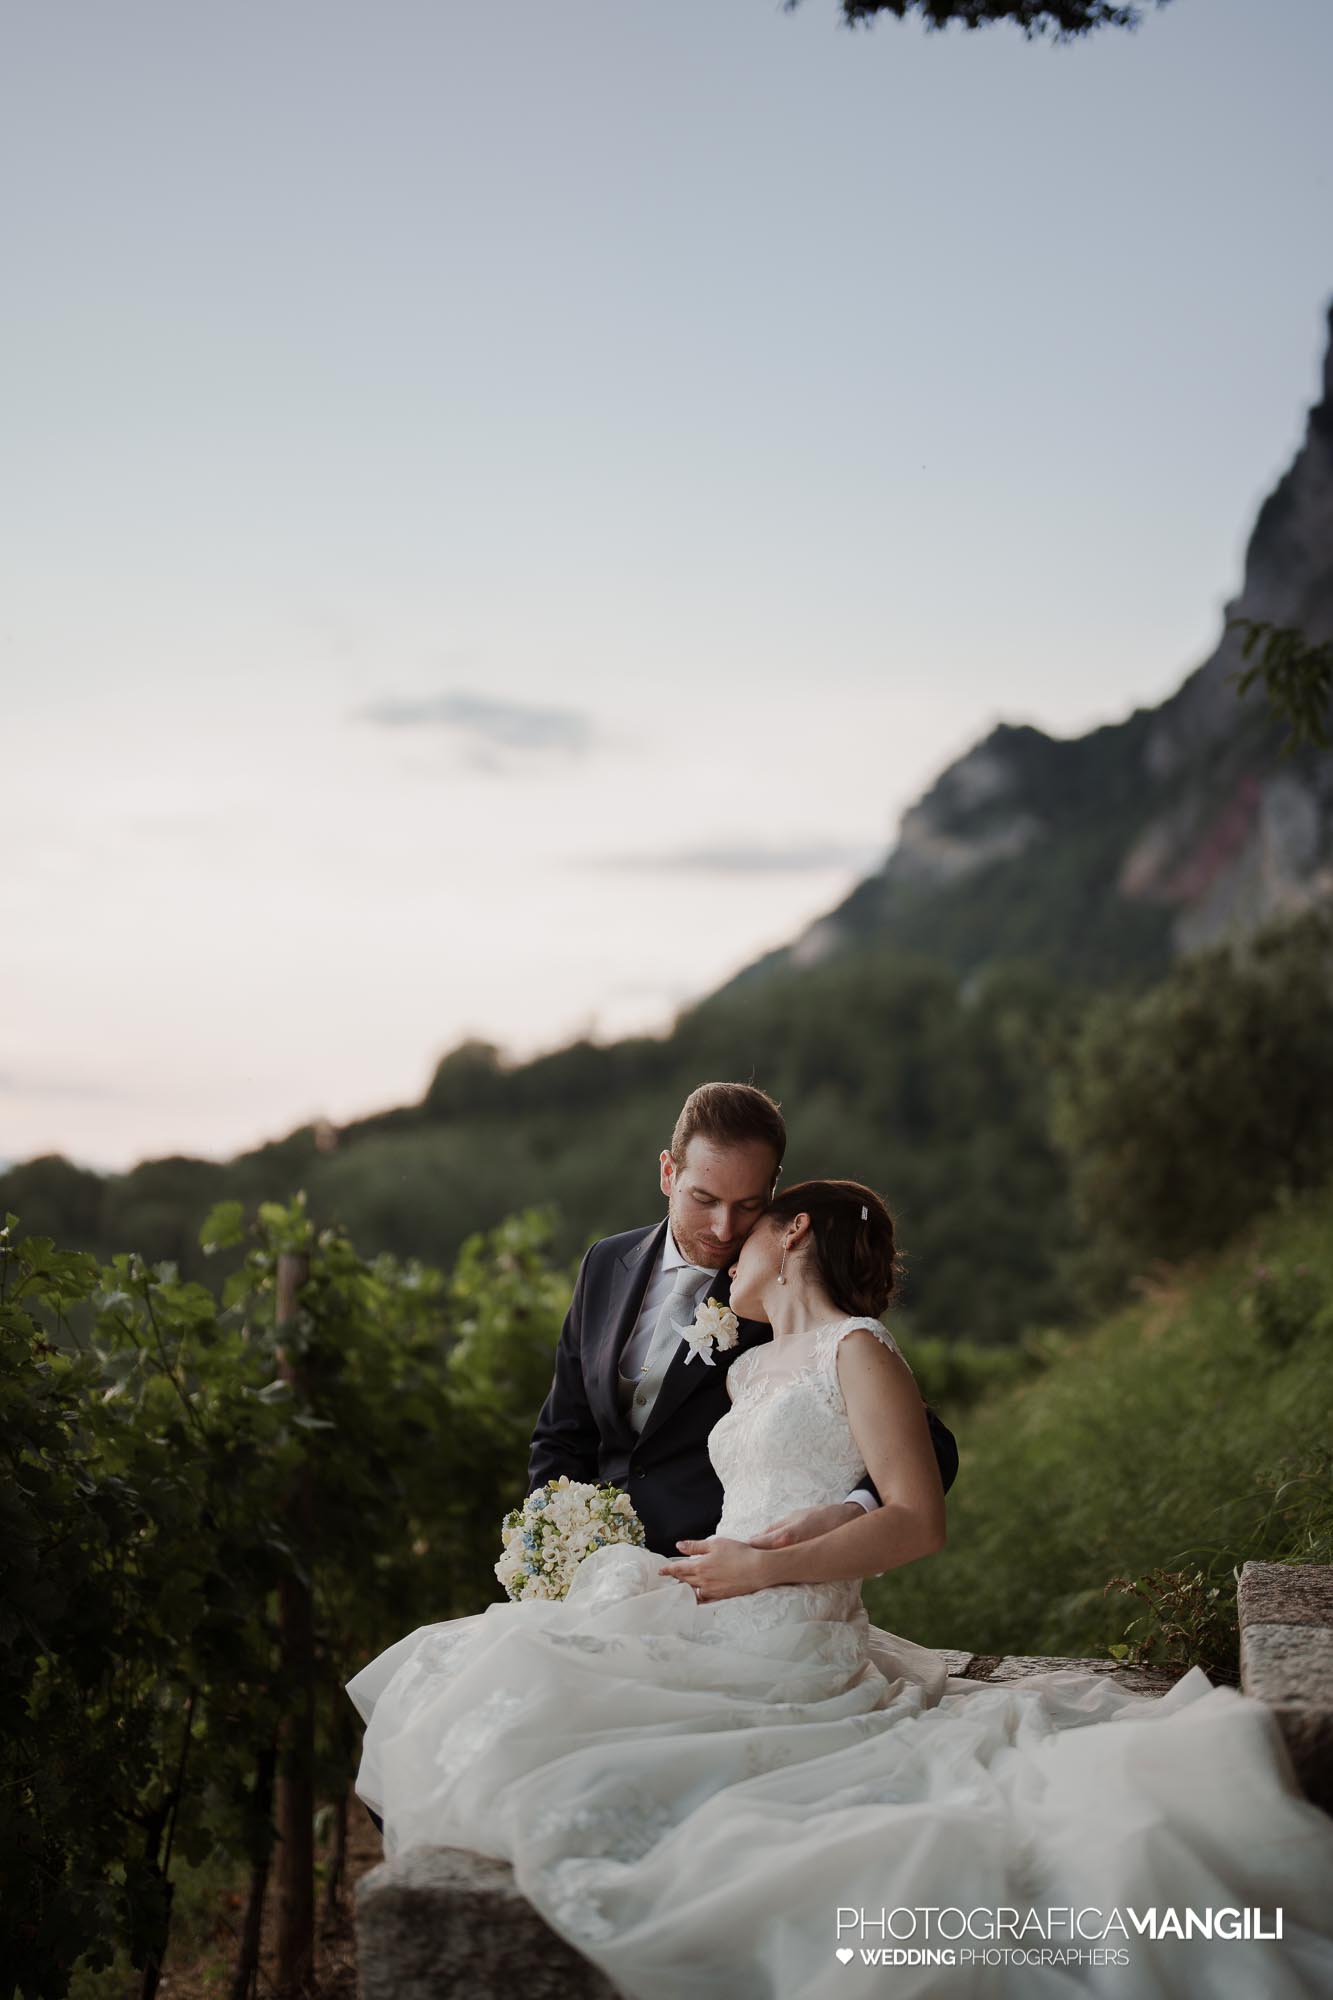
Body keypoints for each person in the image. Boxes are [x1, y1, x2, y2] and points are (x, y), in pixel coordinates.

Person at [345, 1171, 1333, 1999]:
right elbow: (802, 1488)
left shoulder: (858, 1349)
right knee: (492, 1660)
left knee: (555, 1711)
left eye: (748, 1234)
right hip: (718, 1597)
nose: (727, 1251)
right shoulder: (751, 1369)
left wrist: (773, 1561)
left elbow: (918, 1516)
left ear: (794, 1228)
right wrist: (811, 1519)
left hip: (785, 1630)